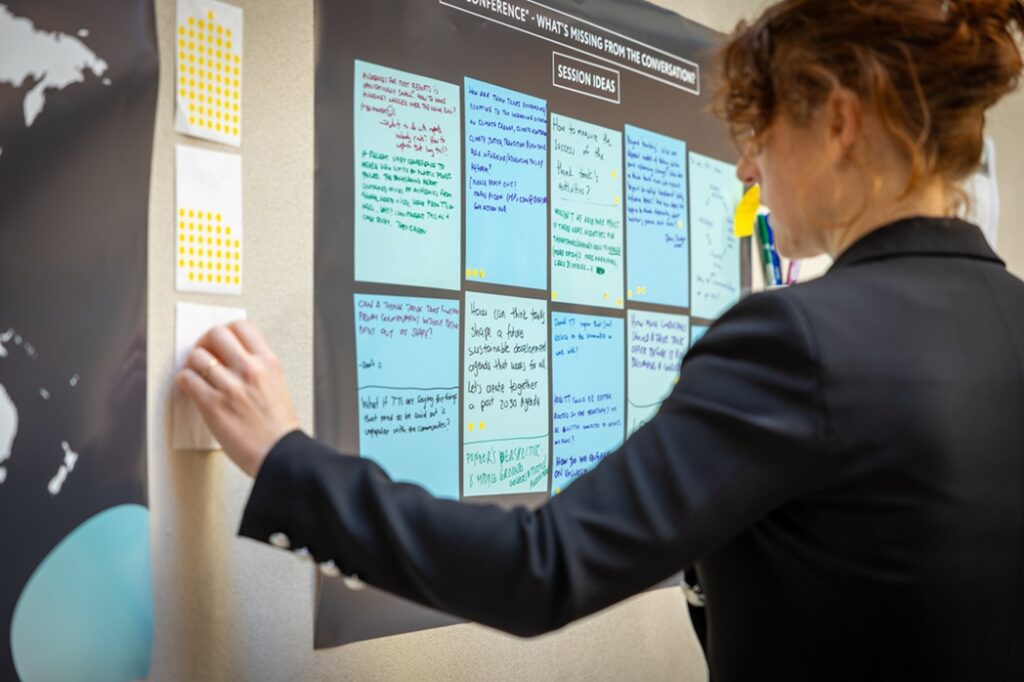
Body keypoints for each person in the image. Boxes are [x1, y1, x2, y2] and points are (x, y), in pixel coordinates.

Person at [177, 1, 1024, 678]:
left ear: (839, 123)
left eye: (760, 131)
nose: (746, 170)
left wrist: (289, 460)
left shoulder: (800, 341)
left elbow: (539, 568)